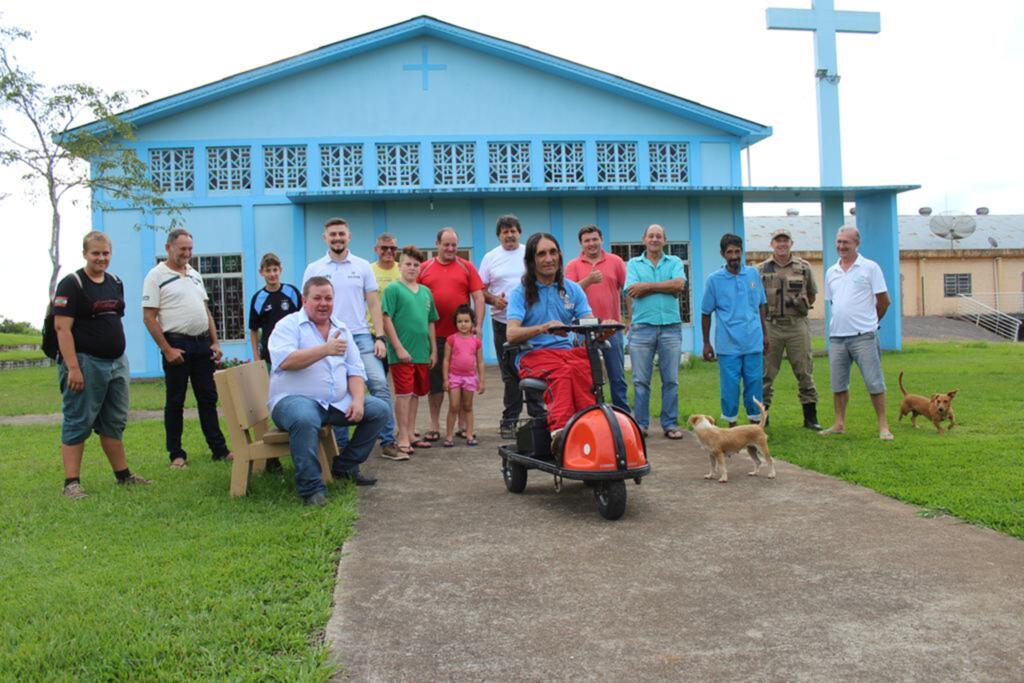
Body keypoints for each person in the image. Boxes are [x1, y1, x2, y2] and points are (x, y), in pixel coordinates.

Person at [268, 277, 389, 505]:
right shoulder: (288, 325)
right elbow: (285, 361)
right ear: (304, 300)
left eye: (328, 298)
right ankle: (311, 489)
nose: (323, 303)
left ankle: (344, 467)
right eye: (317, 298)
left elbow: (355, 370)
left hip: (335, 403)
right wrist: (325, 349)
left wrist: (358, 400)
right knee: (305, 418)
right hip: (293, 401)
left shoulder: (341, 328)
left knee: (379, 410)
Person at [53, 231, 150, 499]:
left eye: (105, 253)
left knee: (114, 421)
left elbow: (114, 319)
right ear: (85, 254)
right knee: (79, 420)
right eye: (95, 253)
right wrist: (73, 367)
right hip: (86, 363)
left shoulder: (115, 282)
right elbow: (62, 328)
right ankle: (71, 484)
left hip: (116, 363)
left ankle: (123, 476)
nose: (101, 258)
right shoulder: (72, 284)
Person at [302, 217, 401, 460]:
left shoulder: (362, 266)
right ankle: (340, 448)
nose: (337, 238)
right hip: (328, 337)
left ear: (349, 237)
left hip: (360, 336)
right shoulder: (314, 268)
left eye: (341, 234)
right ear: (325, 238)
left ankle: (388, 441)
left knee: (379, 384)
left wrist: (380, 337)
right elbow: (306, 306)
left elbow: (374, 303)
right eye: (333, 234)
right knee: (335, 390)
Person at [142, 228, 233, 469]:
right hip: (177, 344)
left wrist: (215, 342)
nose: (187, 253)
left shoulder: (194, 274)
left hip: (202, 344)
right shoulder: (156, 276)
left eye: (190, 249)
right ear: (168, 248)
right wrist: (167, 349)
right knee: (175, 400)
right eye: (182, 249)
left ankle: (219, 449)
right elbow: (149, 317)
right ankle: (176, 454)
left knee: (208, 398)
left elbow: (205, 310)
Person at [506, 233, 600, 436]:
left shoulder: (573, 289)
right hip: (534, 355)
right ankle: (561, 433)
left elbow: (589, 323)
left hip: (567, 354)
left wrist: (603, 329)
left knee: (584, 366)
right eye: (542, 254)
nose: (549, 259)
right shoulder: (520, 292)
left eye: (553, 252)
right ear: (531, 260)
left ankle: (590, 426)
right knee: (565, 372)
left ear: (560, 255)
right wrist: (543, 328)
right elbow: (511, 334)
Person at [820, 226, 894, 440]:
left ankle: (883, 426)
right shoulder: (831, 272)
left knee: (874, 382)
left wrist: (872, 323)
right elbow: (834, 302)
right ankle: (839, 423)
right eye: (839, 241)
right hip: (837, 337)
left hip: (864, 336)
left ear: (857, 244)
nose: (841, 246)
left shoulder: (870, 268)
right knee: (838, 384)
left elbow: (884, 301)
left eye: (846, 242)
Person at [417, 227, 485, 441]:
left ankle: (463, 426)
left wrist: (478, 326)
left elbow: (479, 297)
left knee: (464, 382)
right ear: (437, 244)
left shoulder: (467, 267)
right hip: (434, 336)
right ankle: (435, 426)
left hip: (462, 337)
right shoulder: (424, 268)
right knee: (436, 383)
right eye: (446, 244)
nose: (450, 248)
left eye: (454, 245)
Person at [624, 224, 688, 439]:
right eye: (651, 236)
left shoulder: (675, 261)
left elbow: (679, 285)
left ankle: (669, 424)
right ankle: (641, 425)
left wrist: (647, 287)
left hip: (671, 328)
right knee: (641, 381)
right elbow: (633, 290)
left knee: (671, 380)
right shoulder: (634, 264)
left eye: (658, 236)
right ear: (644, 239)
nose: (654, 239)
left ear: (664, 240)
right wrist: (664, 287)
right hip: (642, 328)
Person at [701, 233, 769, 427]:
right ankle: (732, 428)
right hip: (728, 345)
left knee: (754, 385)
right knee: (730, 388)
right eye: (729, 252)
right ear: (722, 254)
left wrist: (765, 335)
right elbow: (706, 313)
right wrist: (706, 343)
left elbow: (761, 305)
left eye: (737, 252)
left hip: (753, 342)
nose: (734, 256)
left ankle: (754, 428)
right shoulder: (714, 280)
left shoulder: (753, 274)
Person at [757, 228, 821, 429]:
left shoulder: (803, 267)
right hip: (771, 325)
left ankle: (810, 418)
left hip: (796, 325)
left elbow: (812, 294)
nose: (782, 244)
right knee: (766, 374)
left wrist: (799, 306)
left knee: (804, 371)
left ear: (791, 243)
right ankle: (763, 418)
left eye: (786, 241)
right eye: (778, 241)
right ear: (772, 244)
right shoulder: (761, 269)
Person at [381, 246, 439, 458]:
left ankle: (412, 433)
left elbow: (431, 322)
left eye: (416, 265)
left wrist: (433, 350)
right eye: (407, 264)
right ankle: (403, 436)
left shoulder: (425, 292)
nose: (412, 268)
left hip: (422, 353)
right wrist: (398, 347)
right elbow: (386, 318)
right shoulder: (393, 289)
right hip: (402, 354)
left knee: (415, 394)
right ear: (400, 265)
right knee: (404, 394)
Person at [565, 224, 629, 413]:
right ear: (581, 244)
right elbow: (568, 294)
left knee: (617, 376)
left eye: (595, 239)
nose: (591, 243)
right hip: (584, 331)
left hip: (612, 328)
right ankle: (590, 415)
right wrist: (589, 280)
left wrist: (629, 318)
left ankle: (622, 416)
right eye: (587, 240)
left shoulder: (616, 261)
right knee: (586, 377)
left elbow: (627, 290)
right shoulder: (573, 265)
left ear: (601, 240)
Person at [478, 215, 527, 437]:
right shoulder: (490, 257)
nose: (509, 235)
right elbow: (480, 289)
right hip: (502, 323)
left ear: (519, 232)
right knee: (509, 374)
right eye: (505, 232)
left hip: (530, 324)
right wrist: (494, 299)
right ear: (499, 235)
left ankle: (538, 417)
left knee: (534, 369)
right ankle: (510, 420)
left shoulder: (529, 253)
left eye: (513, 231)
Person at [442, 305, 485, 447]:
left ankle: (469, 434)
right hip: (454, 377)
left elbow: (480, 362)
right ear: (455, 323)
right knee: (454, 406)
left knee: (468, 406)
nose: (463, 324)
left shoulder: (476, 341)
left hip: (470, 378)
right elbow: (446, 360)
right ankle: (449, 436)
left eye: (466, 321)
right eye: (459, 321)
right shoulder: (451, 340)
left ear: (472, 322)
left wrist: (482, 381)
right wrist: (445, 379)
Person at [248, 253, 302, 365]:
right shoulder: (258, 298)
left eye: (275, 270)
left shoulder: (292, 292)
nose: (272, 274)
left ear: (280, 270)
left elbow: (304, 319)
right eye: (268, 270)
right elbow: (254, 330)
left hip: (294, 353)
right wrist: (256, 357)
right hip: (269, 357)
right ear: (261, 272)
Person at [368, 232, 402, 374]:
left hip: (400, 333)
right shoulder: (368, 270)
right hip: (375, 333)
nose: (389, 251)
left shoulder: (403, 269)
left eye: (392, 248)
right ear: (376, 249)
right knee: (378, 377)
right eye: (384, 248)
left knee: (402, 377)